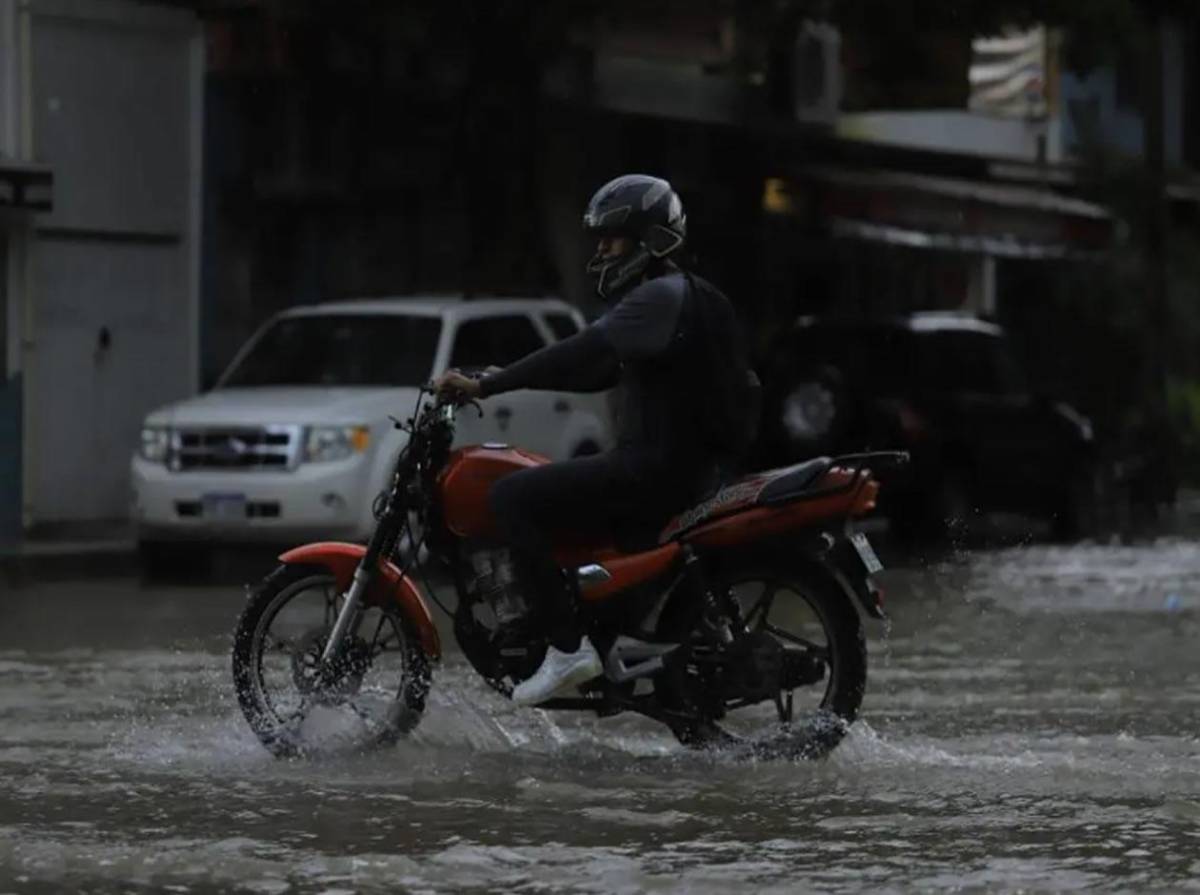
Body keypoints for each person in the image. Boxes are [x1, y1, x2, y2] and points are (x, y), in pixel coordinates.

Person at [433, 173, 754, 706]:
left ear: (650, 240)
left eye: (613, 237)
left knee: (511, 496)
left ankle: (566, 648)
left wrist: (486, 385)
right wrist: (503, 375)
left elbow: (582, 348)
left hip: (657, 468)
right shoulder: (687, 294)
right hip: (686, 466)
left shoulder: (657, 297)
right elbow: (595, 372)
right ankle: (597, 631)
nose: (602, 249)